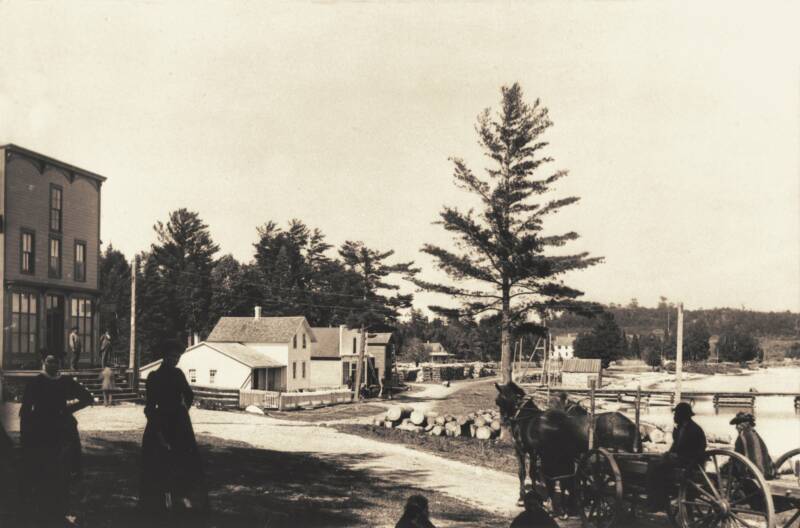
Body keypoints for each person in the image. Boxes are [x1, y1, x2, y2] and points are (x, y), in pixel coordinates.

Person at [19, 355, 93, 525]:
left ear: (60, 363)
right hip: (40, 430)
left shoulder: (66, 381)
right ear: (43, 362)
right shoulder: (36, 382)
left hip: (62, 431)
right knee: (42, 467)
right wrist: (26, 432)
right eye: (49, 361)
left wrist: (67, 410)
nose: (53, 364)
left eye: (56, 361)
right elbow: (25, 410)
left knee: (63, 469)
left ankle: (61, 510)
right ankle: (43, 510)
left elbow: (87, 398)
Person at [139, 340, 207, 514]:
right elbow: (150, 406)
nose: (175, 360)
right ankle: (163, 498)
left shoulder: (178, 374)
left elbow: (189, 394)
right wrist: (157, 427)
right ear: (164, 356)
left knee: (181, 458)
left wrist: (182, 411)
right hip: (161, 421)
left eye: (177, 357)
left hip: (179, 423)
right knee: (160, 459)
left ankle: (182, 495)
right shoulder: (154, 376)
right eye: (172, 356)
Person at [645, 402, 706, 511]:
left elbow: (698, 452)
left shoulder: (693, 430)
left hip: (689, 463)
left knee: (654, 466)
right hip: (682, 460)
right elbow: (675, 446)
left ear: (682, 415)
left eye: (676, 414)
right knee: (656, 461)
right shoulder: (682, 427)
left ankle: (657, 501)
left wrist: (674, 458)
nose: (674, 416)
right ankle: (659, 498)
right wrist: (668, 454)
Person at [730, 412, 775, 479]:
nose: (736, 427)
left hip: (751, 474)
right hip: (766, 473)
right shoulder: (755, 434)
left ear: (745, 424)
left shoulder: (742, 436)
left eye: (738, 424)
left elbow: (736, 456)